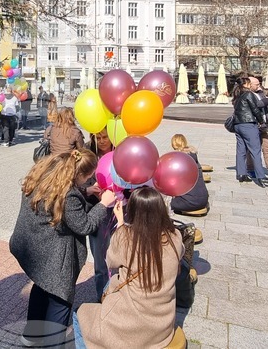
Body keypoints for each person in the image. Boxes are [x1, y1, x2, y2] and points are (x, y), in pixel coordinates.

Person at [10, 149, 117, 344]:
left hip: (34, 248)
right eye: (88, 177)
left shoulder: (45, 175)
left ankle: (31, 336)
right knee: (60, 299)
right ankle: (52, 343)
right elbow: (84, 225)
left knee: (42, 286)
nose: (89, 180)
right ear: (78, 174)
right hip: (52, 255)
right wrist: (104, 204)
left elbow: (58, 198)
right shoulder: (69, 196)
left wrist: (86, 191)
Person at [74, 187, 184, 349]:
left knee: (80, 314)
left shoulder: (125, 237)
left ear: (132, 212)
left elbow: (111, 261)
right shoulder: (174, 236)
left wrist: (120, 225)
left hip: (131, 327)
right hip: (162, 327)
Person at [232, 75, 268, 187]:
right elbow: (255, 109)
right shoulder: (248, 94)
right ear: (246, 84)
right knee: (255, 150)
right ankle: (260, 176)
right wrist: (262, 121)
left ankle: (241, 174)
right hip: (248, 124)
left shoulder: (237, 95)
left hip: (238, 124)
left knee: (241, 151)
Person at [86, 129, 115, 300]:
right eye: (98, 138)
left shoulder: (120, 152)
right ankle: (101, 297)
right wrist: (92, 189)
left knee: (117, 254)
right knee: (100, 259)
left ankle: (116, 296)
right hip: (96, 211)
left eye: (105, 137)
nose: (102, 141)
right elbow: (81, 180)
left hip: (118, 211)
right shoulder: (89, 154)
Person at [169, 134, 209, 215]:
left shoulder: (177, 161)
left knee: (162, 203)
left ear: (173, 145)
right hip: (204, 199)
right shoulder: (193, 157)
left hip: (190, 202)